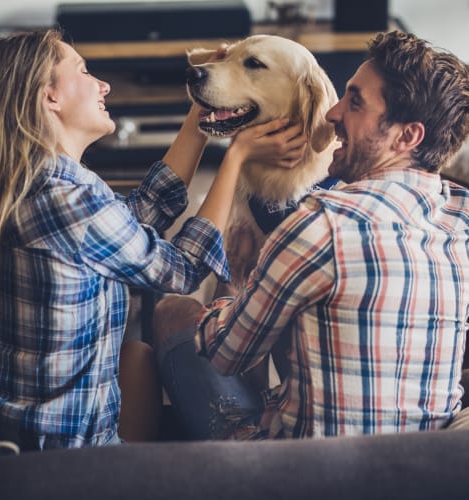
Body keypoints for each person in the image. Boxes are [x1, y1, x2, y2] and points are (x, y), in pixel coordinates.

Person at [0, 29, 307, 449]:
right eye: (84, 71)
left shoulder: (38, 183)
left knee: (135, 355)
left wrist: (202, 116)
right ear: (50, 97)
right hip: (58, 452)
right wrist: (235, 158)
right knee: (151, 346)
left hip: (5, 422)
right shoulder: (66, 201)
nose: (103, 85)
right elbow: (181, 270)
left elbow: (137, 215)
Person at [153, 30, 469, 440]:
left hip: (308, 469)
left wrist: (244, 293)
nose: (332, 114)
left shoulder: (321, 225)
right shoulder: (458, 221)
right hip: (420, 464)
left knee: (172, 311)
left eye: (355, 102)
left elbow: (227, 353)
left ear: (406, 136)